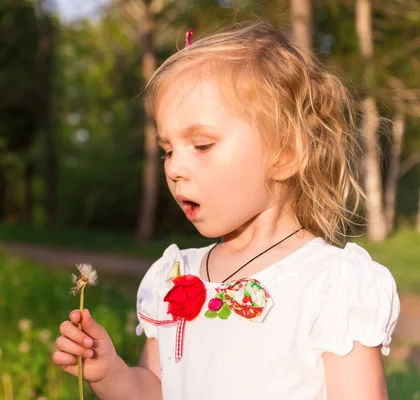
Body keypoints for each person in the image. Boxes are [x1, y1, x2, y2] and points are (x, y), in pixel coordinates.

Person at [52, 20, 400, 400]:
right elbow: (156, 390)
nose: (174, 167)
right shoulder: (172, 276)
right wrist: (112, 375)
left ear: (285, 155)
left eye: (201, 145)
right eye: (168, 149)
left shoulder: (330, 285)